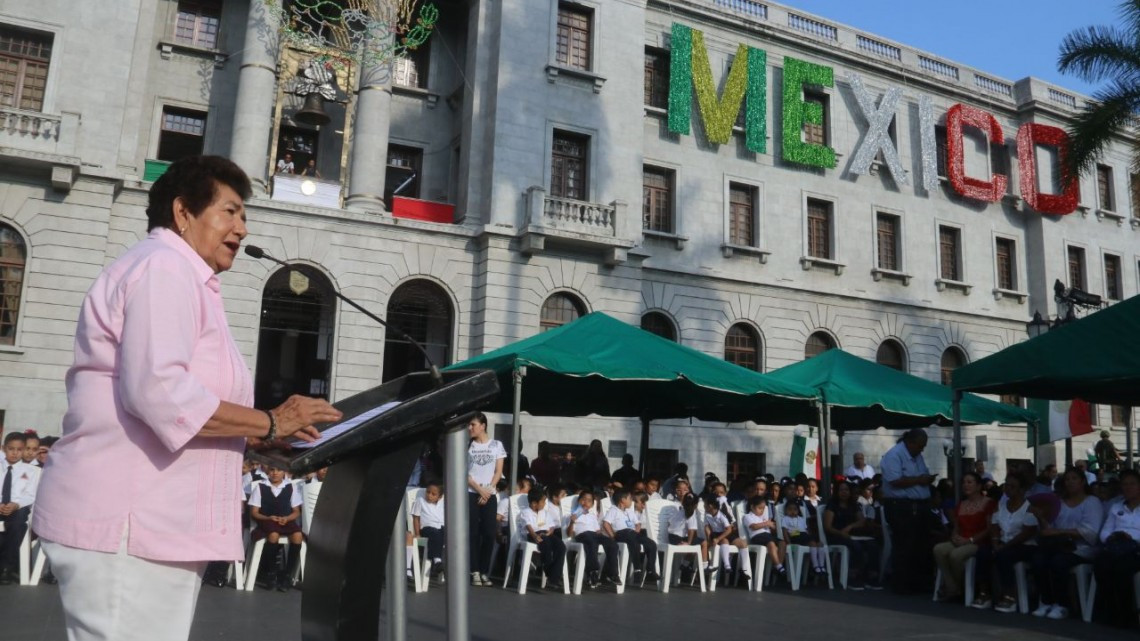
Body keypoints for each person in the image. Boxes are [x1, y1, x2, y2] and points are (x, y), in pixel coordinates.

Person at [31, 156, 340, 641]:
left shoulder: (181, 274)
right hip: (130, 523)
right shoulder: (164, 267)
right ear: (183, 212)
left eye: (244, 215)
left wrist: (261, 441)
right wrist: (271, 422)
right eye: (230, 211)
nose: (242, 226)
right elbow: (159, 392)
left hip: (152, 523)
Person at [1030, 467, 1103, 619]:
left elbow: (1091, 532)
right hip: (1059, 545)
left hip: (1083, 548)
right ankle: (1046, 600)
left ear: (1083, 481)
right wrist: (1041, 517)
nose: (1070, 482)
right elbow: (1050, 528)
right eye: (1067, 479)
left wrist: (1061, 533)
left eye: (1074, 478)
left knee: (1059, 562)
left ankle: (1063, 604)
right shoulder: (1059, 503)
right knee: (1038, 559)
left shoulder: (1092, 502)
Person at [880, 427, 937, 594]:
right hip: (901, 506)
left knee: (920, 544)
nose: (922, 449)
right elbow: (894, 481)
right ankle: (901, 584)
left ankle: (918, 582)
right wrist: (919, 480)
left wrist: (926, 480)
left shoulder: (917, 456)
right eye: (920, 445)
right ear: (910, 442)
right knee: (904, 544)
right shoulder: (894, 455)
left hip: (919, 505)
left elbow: (921, 474)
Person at [974, 474, 1038, 612]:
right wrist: (996, 543)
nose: (1008, 489)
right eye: (1006, 485)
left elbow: (1027, 533)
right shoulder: (1001, 505)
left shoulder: (1029, 508)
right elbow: (995, 526)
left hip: (1024, 545)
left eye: (1012, 486)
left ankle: (1010, 596)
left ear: (1021, 489)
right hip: (1003, 542)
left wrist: (1003, 547)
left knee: (1005, 556)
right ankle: (984, 593)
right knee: (982, 552)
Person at [932, 472, 995, 602]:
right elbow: (957, 525)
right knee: (939, 549)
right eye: (964, 482)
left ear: (978, 486)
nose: (966, 485)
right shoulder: (962, 504)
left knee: (956, 555)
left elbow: (990, 528)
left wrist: (970, 540)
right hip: (961, 538)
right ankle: (953, 587)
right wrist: (954, 535)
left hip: (978, 541)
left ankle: (958, 587)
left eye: (970, 482)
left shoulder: (988, 503)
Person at [1093, 469, 1140, 628]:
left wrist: (1131, 538)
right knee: (1101, 563)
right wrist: (1111, 537)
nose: (1128, 488)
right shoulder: (1116, 507)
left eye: (1132, 484)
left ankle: (1126, 612)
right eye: (1125, 484)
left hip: (1136, 549)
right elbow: (1105, 531)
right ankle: (1109, 609)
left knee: (1123, 567)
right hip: (1116, 545)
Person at [248, 465, 303, 591]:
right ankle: (271, 573)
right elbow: (254, 512)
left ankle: (287, 574)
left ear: (284, 471)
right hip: (267, 520)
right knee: (273, 534)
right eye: (272, 470)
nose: (275, 473)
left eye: (279, 470)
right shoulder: (261, 487)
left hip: (285, 520)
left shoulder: (290, 487)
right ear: (268, 471)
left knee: (298, 536)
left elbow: (296, 511)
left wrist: (287, 518)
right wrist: (268, 518)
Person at [466, 412, 505, 587]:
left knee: (489, 533)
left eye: (473, 424)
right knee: (473, 533)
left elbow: (498, 471)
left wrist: (488, 491)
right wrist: (479, 490)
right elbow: (464, 473)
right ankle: (473, 570)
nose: (470, 428)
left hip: (489, 493)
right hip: (472, 491)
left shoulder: (496, 445)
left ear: (483, 425)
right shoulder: (468, 446)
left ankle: (484, 570)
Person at [823, 481, 881, 589]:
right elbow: (828, 527)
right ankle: (853, 576)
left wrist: (850, 527)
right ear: (836, 492)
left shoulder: (853, 505)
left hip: (851, 534)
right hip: (836, 535)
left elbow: (861, 521)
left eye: (846, 490)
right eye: (841, 490)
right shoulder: (832, 505)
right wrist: (841, 532)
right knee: (856, 546)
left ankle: (871, 576)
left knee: (872, 544)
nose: (844, 492)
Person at [0, 432, 39, 584]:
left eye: (19, 449)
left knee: (18, 522)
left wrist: (16, 504)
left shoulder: (31, 471)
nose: (15, 453)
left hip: (16, 509)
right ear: (4, 449)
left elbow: (30, 495)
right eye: (11, 449)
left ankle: (6, 567)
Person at [568, 489, 620, 588]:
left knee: (612, 544)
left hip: (594, 535)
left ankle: (612, 573)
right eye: (583, 499)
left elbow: (597, 530)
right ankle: (593, 570)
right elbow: (569, 533)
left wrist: (601, 533)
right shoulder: (572, 514)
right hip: (582, 535)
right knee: (591, 542)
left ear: (592, 504)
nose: (585, 502)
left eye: (589, 501)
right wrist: (572, 522)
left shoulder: (592, 515)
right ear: (578, 500)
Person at [518, 487, 564, 591]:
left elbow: (551, 526)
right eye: (543, 502)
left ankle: (553, 577)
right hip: (533, 534)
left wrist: (549, 532)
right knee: (546, 545)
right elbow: (528, 526)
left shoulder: (545, 512)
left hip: (546, 534)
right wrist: (535, 536)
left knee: (561, 546)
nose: (544, 504)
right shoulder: (526, 512)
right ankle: (552, 576)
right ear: (534, 503)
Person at [704, 497, 750, 584]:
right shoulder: (707, 515)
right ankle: (727, 566)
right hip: (717, 534)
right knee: (724, 541)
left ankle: (743, 569)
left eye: (705, 505)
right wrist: (709, 538)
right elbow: (707, 528)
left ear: (710, 506)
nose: (704, 507)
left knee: (743, 543)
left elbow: (728, 530)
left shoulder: (721, 515)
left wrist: (718, 539)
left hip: (726, 533)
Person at [744, 495, 785, 579]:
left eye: (763, 509)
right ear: (752, 507)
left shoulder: (763, 518)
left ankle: (778, 566)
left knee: (782, 542)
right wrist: (766, 523)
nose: (762, 511)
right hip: (757, 536)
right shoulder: (748, 516)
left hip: (767, 536)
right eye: (759, 508)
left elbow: (770, 528)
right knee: (771, 543)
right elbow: (754, 527)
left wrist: (773, 526)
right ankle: (778, 566)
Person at [412, 480, 446, 579]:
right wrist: (417, 533)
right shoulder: (420, 500)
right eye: (428, 492)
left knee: (441, 533)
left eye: (433, 494)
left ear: (440, 497)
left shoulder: (443, 503)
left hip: (440, 528)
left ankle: (437, 562)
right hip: (427, 528)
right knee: (435, 533)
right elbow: (416, 518)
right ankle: (437, 561)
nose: (429, 495)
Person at [783, 499, 825, 579]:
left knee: (820, 544)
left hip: (803, 535)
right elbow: (785, 532)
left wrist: (809, 535)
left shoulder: (801, 519)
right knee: (812, 542)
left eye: (795, 509)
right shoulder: (786, 519)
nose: (792, 511)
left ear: (798, 511)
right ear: (786, 511)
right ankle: (815, 566)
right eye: (790, 509)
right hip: (794, 535)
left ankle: (821, 566)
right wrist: (788, 542)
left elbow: (806, 530)